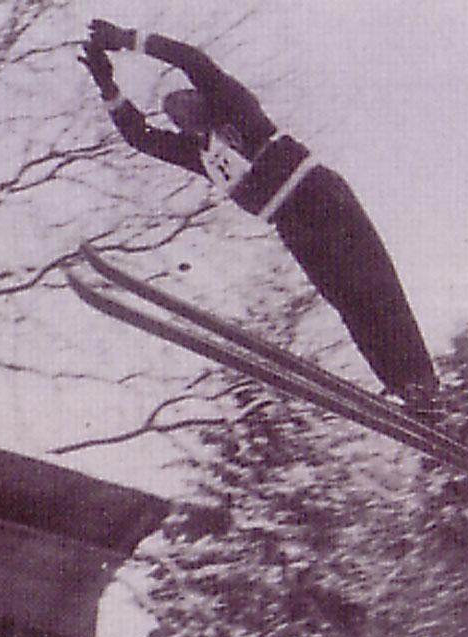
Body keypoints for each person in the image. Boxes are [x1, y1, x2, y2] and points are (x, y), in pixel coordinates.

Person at [79, 20, 440, 409]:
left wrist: (127, 40)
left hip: (319, 196)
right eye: (172, 116)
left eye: (181, 102)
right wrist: (108, 87)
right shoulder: (200, 154)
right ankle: (404, 389)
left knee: (373, 283)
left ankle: (422, 379)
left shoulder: (231, 103)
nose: (177, 114)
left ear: (199, 97)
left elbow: (189, 58)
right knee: (347, 302)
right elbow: (141, 138)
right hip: (290, 223)